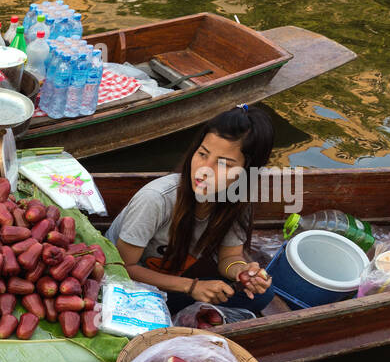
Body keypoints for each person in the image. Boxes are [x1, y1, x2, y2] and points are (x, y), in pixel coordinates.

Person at [108, 105, 276, 316]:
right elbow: (122, 267)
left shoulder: (236, 202)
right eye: (203, 154)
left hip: (174, 284)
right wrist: (192, 287)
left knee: (263, 295)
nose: (204, 170)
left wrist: (242, 272)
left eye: (224, 164)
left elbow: (229, 257)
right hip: (126, 284)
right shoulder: (156, 199)